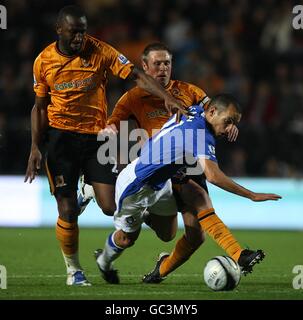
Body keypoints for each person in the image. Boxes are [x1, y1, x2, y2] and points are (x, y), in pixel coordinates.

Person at [24, 6, 184, 286]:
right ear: (59, 30)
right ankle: (74, 270)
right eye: (74, 32)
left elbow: (136, 74)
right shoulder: (43, 62)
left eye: (83, 32)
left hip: (96, 138)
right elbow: (38, 107)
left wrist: (165, 96)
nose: (79, 38)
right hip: (61, 140)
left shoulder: (99, 51)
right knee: (67, 210)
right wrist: (35, 148)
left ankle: (88, 188)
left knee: (111, 207)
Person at [79, 43, 263, 284]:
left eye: (167, 63)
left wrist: (229, 122)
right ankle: (97, 201)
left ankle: (161, 269)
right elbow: (114, 122)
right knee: (126, 223)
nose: (163, 68)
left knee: (185, 234)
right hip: (152, 169)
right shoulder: (132, 97)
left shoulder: (189, 91)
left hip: (183, 165)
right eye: (157, 63)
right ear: (144, 66)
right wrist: (110, 131)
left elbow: (214, 109)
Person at [95, 94, 281, 283]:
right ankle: (104, 261)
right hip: (135, 188)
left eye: (233, 123)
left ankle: (232, 253)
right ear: (213, 112)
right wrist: (251, 195)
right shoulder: (199, 133)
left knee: (169, 234)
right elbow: (214, 176)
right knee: (126, 239)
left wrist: (227, 121)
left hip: (161, 182)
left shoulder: (196, 111)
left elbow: (200, 110)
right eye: (228, 122)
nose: (229, 128)